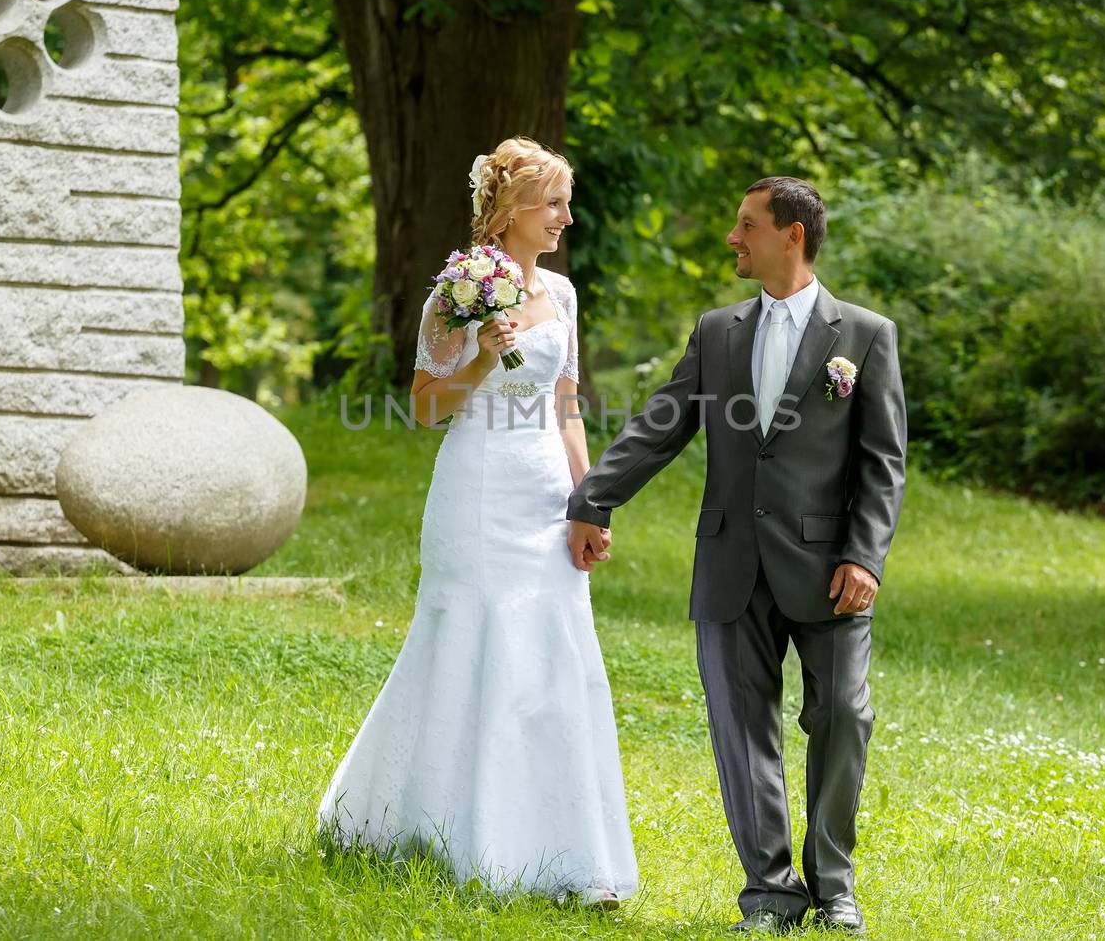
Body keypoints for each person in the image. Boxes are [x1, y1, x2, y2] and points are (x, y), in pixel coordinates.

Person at [566, 177, 906, 934]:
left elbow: (884, 462)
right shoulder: (717, 330)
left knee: (843, 715)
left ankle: (834, 884)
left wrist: (866, 557)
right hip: (730, 563)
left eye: (746, 225)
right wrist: (593, 496)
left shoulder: (865, 336)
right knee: (740, 727)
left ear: (792, 234)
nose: (732, 237)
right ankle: (771, 892)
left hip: (830, 568)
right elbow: (662, 422)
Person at [317, 137, 637, 908]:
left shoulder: (559, 295)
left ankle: (566, 853)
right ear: (512, 210)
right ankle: (455, 833)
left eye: (564, 203)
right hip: (476, 490)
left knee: (554, 653)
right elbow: (426, 407)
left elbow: (566, 408)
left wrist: (587, 503)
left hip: (542, 495)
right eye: (553, 203)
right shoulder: (455, 292)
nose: (565, 217)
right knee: (472, 643)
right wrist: (482, 362)